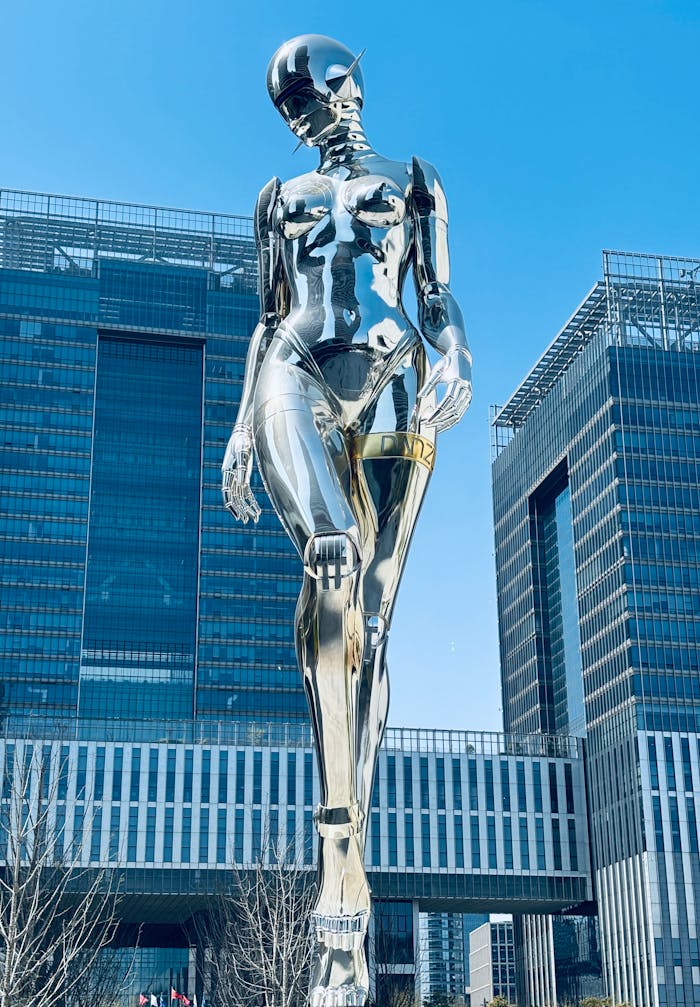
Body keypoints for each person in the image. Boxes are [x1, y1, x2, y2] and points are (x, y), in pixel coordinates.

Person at [221, 34, 472, 1007]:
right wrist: (245, 425)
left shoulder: (414, 180)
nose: (319, 112)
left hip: (394, 380)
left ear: (355, 84)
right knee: (329, 550)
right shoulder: (274, 201)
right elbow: (265, 312)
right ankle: (335, 876)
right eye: (298, 105)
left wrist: (453, 358)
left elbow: (436, 298)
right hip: (294, 370)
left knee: (368, 628)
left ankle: (354, 874)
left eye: (327, 89)